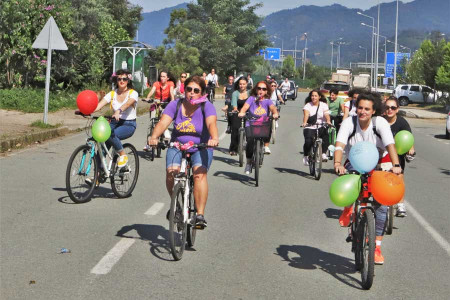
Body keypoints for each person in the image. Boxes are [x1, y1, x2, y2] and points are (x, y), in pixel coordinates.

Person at [334, 92, 402, 265]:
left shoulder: (380, 123)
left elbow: (390, 145)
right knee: (352, 181)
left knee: (381, 205)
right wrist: (337, 163)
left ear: (373, 111)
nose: (362, 111)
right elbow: (340, 144)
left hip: (380, 162)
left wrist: (396, 165)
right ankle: (349, 206)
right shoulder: (350, 122)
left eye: (367, 109)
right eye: (360, 108)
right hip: (355, 162)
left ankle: (377, 247)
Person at [148, 75, 219, 228]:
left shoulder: (206, 106)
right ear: (184, 89)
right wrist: (154, 136)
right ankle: (178, 206)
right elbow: (163, 122)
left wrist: (214, 137)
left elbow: (211, 123)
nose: (191, 93)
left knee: (199, 175)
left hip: (201, 146)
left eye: (196, 90)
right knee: (171, 172)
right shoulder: (176, 104)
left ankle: (200, 215)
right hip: (177, 145)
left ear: (202, 92)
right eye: (188, 89)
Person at [92, 69, 138, 168]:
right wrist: (86, 111)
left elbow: (128, 104)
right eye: (119, 79)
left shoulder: (133, 93)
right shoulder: (112, 94)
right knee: (101, 147)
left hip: (128, 124)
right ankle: (98, 175)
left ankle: (122, 154)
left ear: (128, 81)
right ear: (116, 80)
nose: (122, 81)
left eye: (124, 79)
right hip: (114, 122)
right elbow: (99, 105)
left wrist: (119, 111)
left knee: (108, 134)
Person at [383, 96, 415, 217]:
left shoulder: (402, 122)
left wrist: (411, 150)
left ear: (397, 109)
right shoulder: (380, 121)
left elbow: (408, 140)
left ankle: (401, 204)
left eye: (393, 107)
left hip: (397, 156)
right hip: (381, 156)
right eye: (387, 107)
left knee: (399, 177)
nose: (390, 110)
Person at [238, 81, 279, 174]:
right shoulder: (251, 99)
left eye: (264, 89)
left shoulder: (268, 101)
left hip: (263, 124)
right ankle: (248, 163)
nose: (261, 90)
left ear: (266, 91)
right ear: (256, 89)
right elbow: (245, 107)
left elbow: (273, 108)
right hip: (251, 123)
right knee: (250, 141)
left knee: (269, 126)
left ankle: (265, 146)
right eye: (259, 88)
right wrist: (242, 112)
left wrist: (275, 113)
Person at [302, 89, 332, 165]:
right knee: (308, 141)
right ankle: (306, 156)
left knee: (326, 137)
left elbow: (326, 114)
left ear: (319, 97)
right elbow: (306, 114)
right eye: (312, 96)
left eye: (315, 96)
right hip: (310, 126)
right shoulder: (308, 105)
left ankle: (323, 154)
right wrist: (305, 123)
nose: (313, 97)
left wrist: (328, 121)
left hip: (321, 125)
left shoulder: (323, 105)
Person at [229, 77, 251, 155]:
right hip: (238, 113)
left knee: (251, 131)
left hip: (249, 113)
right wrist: (235, 109)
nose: (242, 86)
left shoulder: (250, 93)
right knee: (234, 129)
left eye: (243, 84)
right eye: (240, 84)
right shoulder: (235, 93)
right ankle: (233, 149)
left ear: (246, 84)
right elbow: (234, 103)